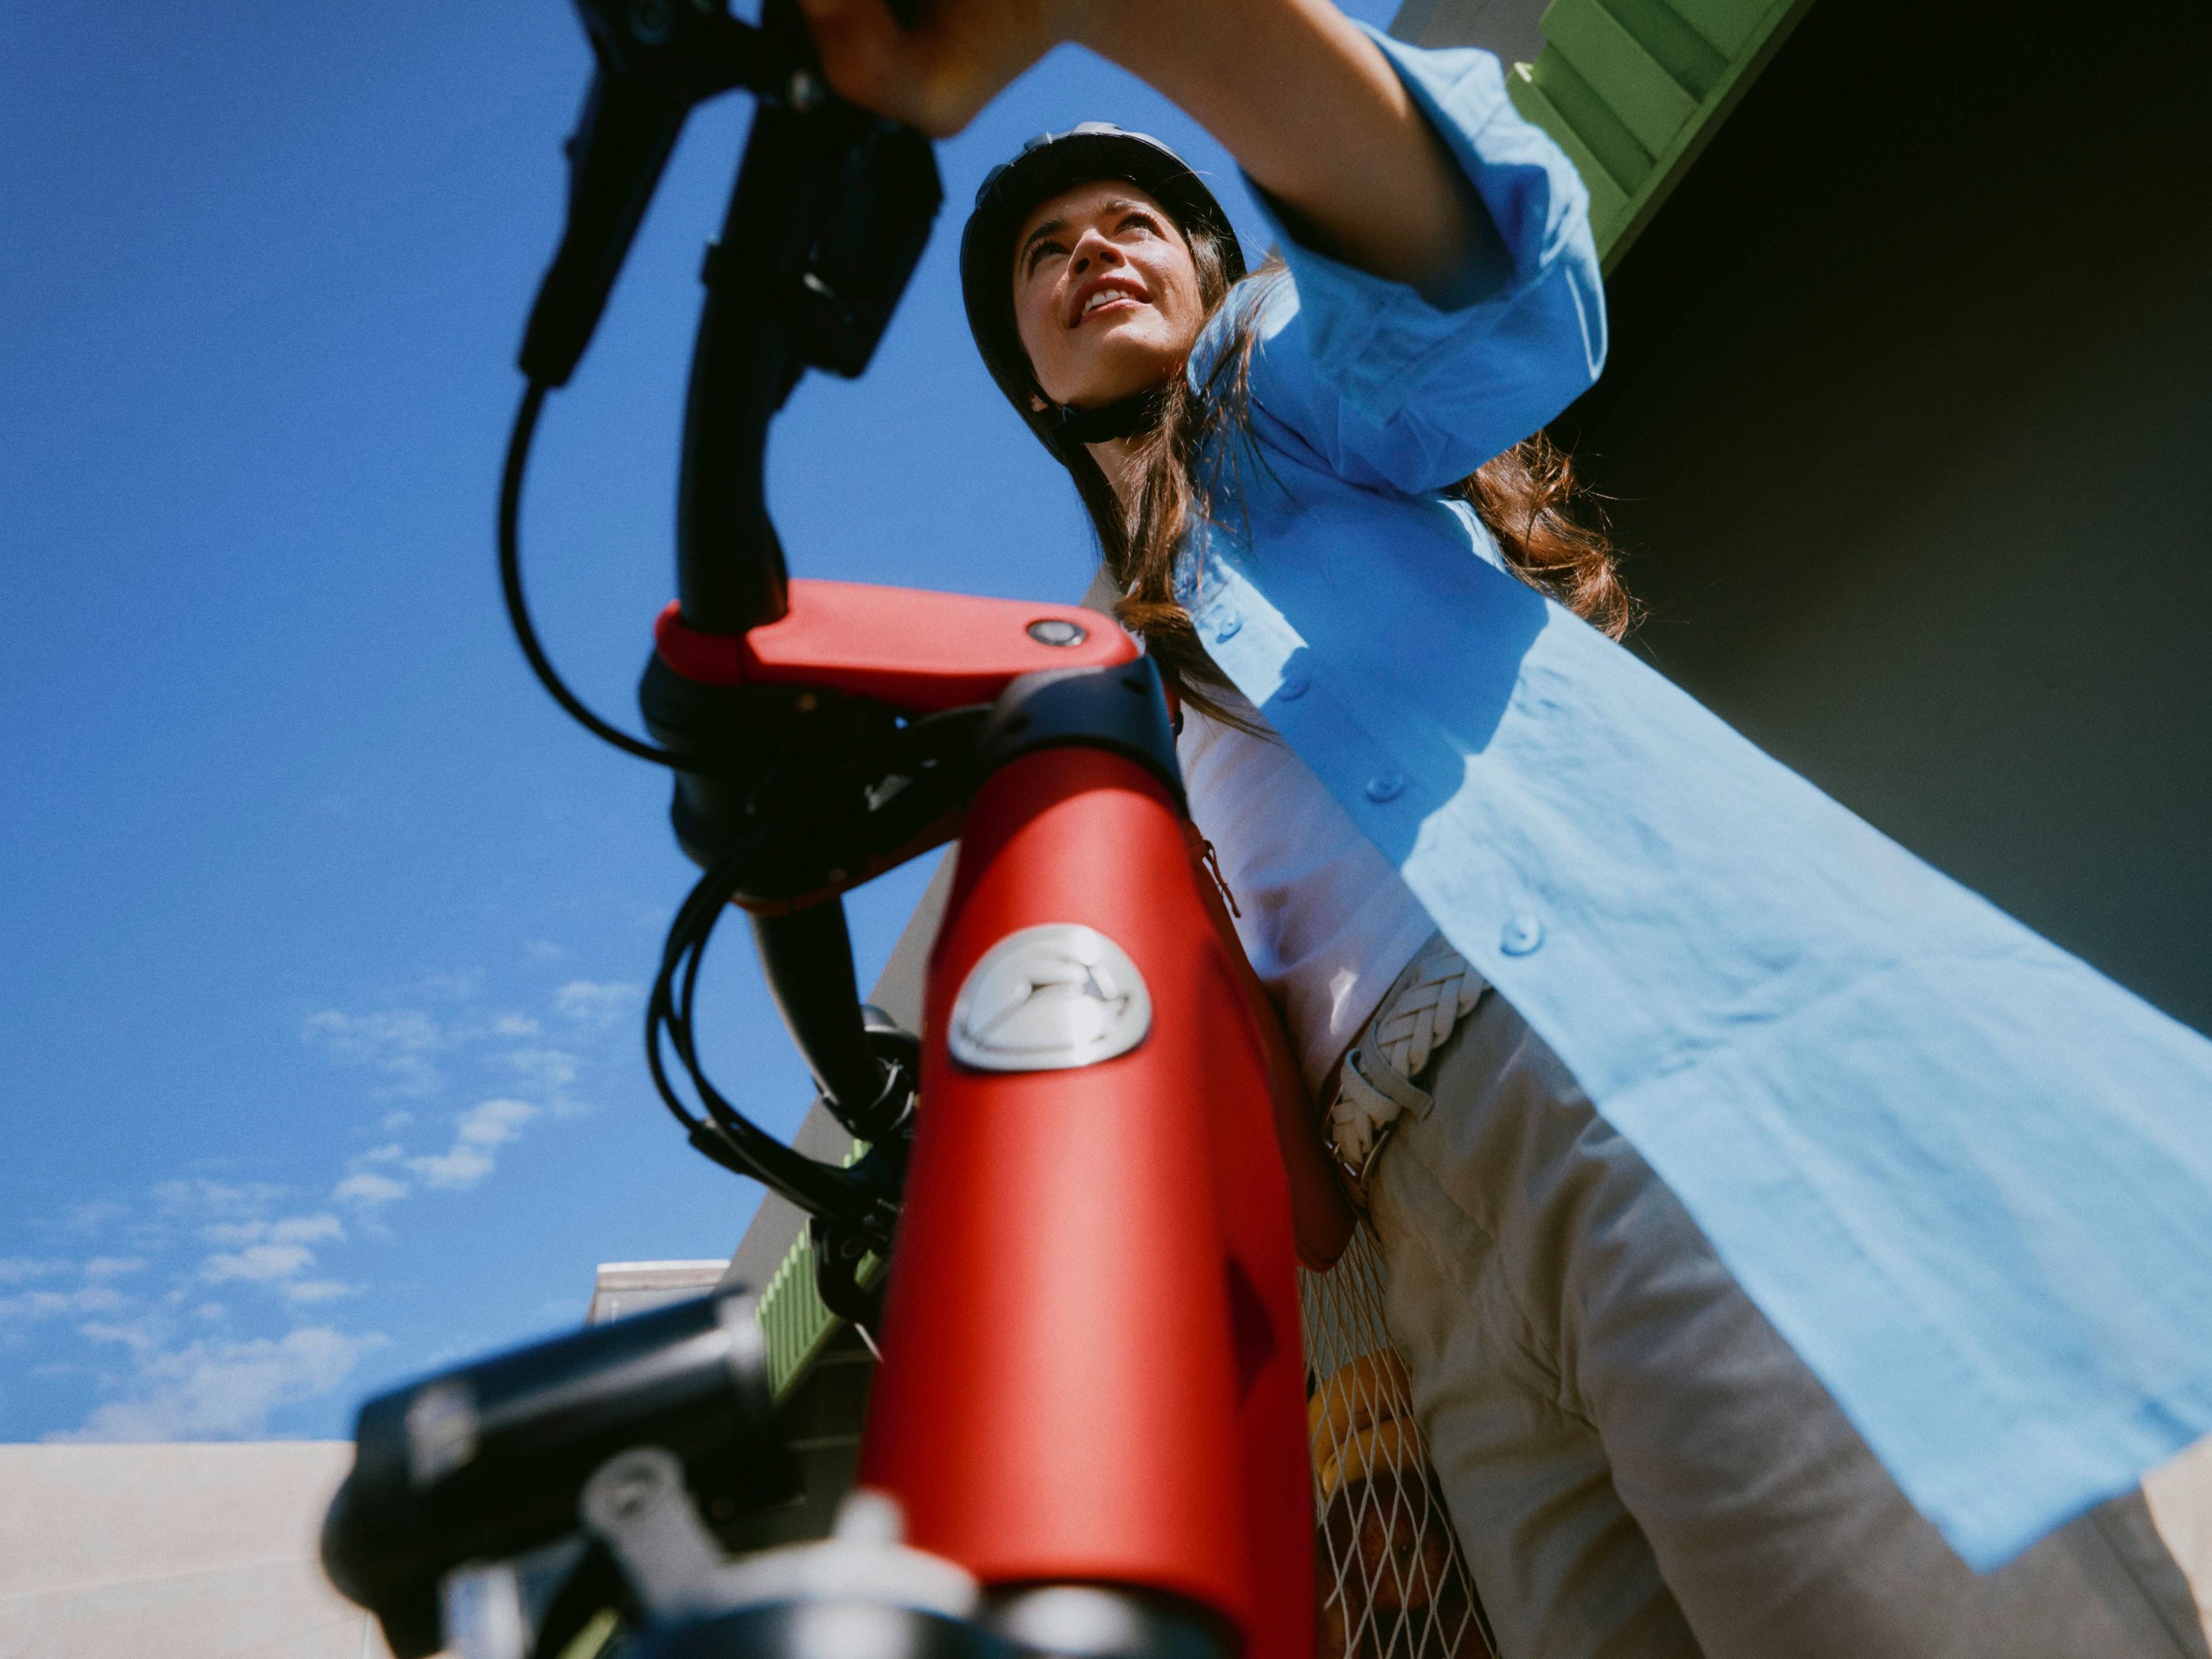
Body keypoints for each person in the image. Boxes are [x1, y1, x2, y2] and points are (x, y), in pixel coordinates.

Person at [797, 1, 2212, 1654]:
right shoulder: (1094, 690)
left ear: (1214, 279)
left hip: (1602, 1073)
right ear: (1029, 385)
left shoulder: (1281, 397)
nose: (1091, 250)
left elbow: (1474, 284)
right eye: (1046, 251)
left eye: (1131, 223)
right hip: (1415, 1254)